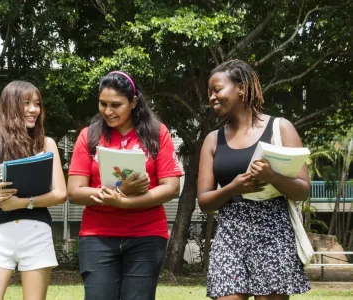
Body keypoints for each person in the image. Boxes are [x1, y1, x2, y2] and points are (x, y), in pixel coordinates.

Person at [197, 59, 311, 300]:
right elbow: (205, 202)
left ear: (241, 88)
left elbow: (303, 190)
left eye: (217, 90)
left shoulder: (281, 128)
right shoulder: (212, 140)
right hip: (230, 232)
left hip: (273, 231)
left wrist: (271, 176)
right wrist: (233, 188)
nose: (212, 98)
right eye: (209, 93)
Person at [67, 71, 182, 300]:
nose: (108, 111)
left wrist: (126, 202)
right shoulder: (88, 136)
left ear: (134, 102)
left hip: (146, 235)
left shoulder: (157, 133)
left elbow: (171, 187)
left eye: (116, 105)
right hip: (97, 235)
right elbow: (74, 191)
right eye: (103, 104)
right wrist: (118, 193)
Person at [0, 80, 67, 300]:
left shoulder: (46, 144)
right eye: (26, 103)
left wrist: (22, 202)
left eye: (36, 104)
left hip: (36, 233)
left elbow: (60, 194)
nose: (33, 110)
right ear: (10, 106)